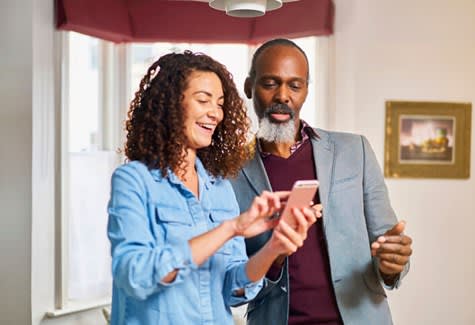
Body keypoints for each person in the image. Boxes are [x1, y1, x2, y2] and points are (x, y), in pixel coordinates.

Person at [106, 50, 319, 325]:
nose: (215, 113)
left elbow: (234, 289)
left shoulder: (219, 187)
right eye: (203, 100)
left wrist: (274, 248)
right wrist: (230, 228)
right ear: (170, 105)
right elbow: (135, 275)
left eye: (219, 103)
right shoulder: (134, 180)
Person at [230, 39, 413, 325]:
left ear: (305, 90)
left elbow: (386, 245)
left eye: (294, 85)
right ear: (249, 87)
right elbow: (234, 283)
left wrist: (392, 264)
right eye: (270, 83)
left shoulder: (355, 151)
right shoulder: (229, 173)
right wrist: (274, 255)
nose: (283, 95)